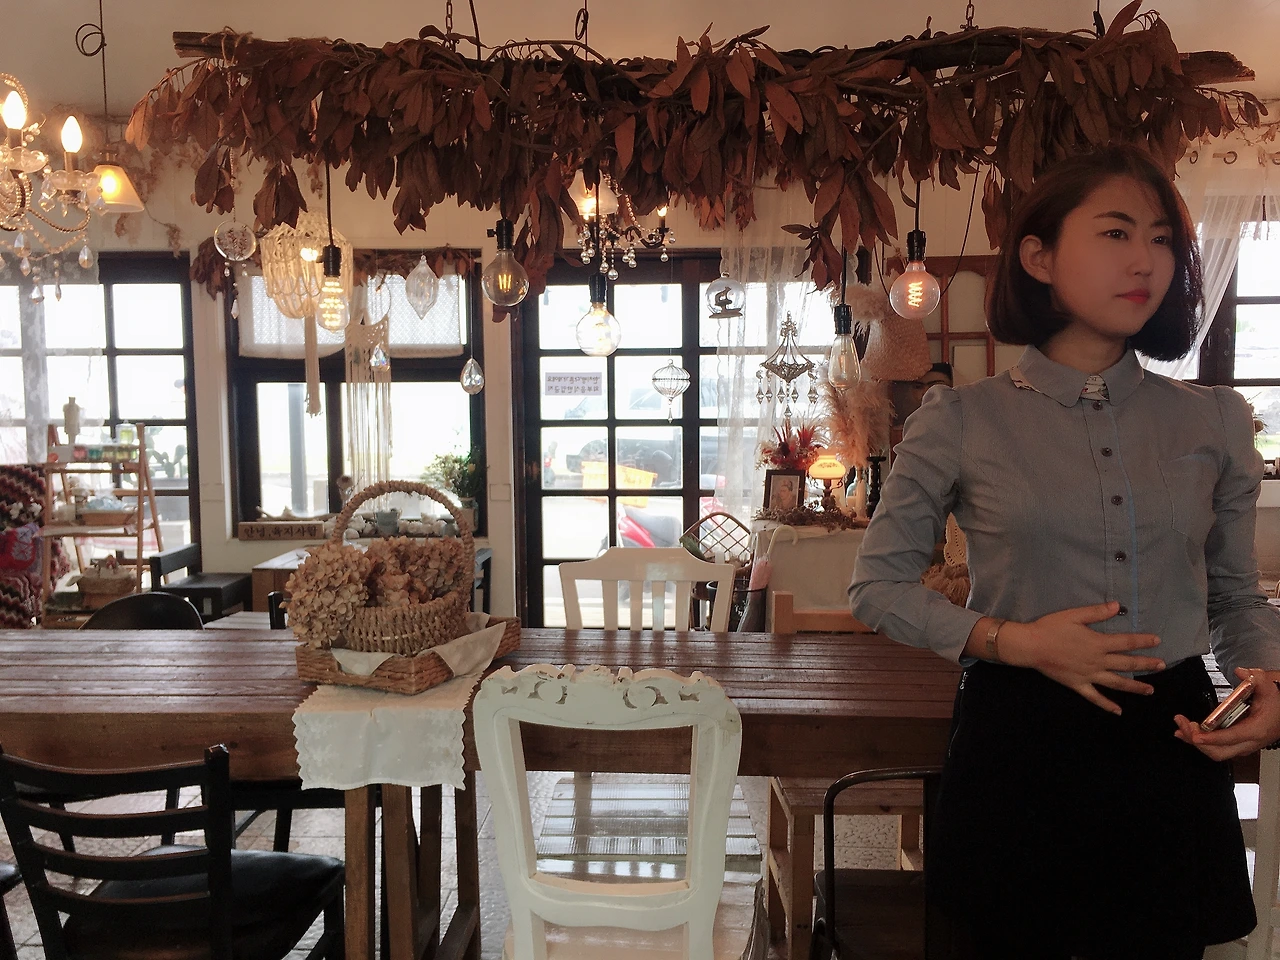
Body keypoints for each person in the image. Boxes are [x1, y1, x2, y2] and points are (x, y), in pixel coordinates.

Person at [848, 144, 1280, 960]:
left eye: (1161, 239)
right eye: (1116, 233)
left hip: (1171, 742)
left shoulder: (1215, 420)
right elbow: (878, 586)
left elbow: (1233, 593)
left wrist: (1269, 679)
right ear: (1038, 257)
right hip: (1020, 738)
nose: (1145, 260)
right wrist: (1015, 641)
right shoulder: (961, 419)